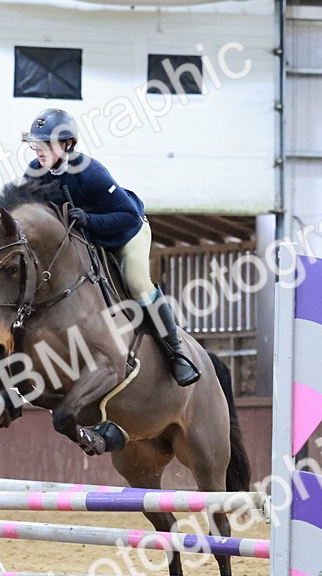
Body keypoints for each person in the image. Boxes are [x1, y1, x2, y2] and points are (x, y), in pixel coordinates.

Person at [20, 108, 200, 387]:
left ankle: (175, 351)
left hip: (126, 233)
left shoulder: (91, 172)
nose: (39, 151)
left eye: (46, 144)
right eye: (36, 145)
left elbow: (127, 215)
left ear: (67, 145)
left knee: (137, 281)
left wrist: (90, 219)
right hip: (86, 238)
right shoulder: (34, 172)